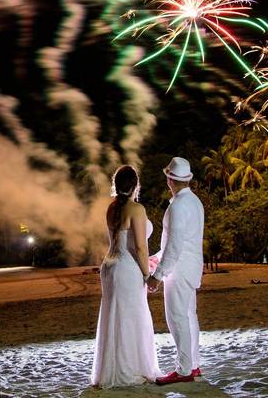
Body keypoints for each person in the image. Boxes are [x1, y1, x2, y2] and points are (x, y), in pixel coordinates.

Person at [91, 165, 161, 387]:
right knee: (132, 318)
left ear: (116, 185)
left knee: (113, 317)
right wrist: (149, 274)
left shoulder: (111, 208)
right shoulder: (136, 209)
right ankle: (131, 369)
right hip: (127, 268)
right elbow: (140, 248)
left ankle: (110, 371)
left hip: (109, 267)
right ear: (136, 185)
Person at [146, 157, 205, 386]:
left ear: (170, 179)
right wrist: (157, 258)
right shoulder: (195, 202)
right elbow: (183, 241)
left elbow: (175, 244)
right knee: (190, 317)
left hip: (179, 270)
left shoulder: (178, 206)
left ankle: (183, 370)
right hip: (191, 268)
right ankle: (193, 364)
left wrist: (158, 276)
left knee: (177, 318)